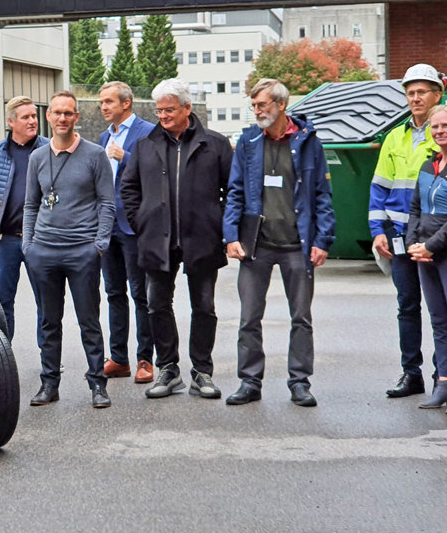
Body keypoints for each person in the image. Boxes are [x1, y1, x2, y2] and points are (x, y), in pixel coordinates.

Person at [223, 78, 335, 407]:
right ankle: (249, 382)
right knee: (249, 318)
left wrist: (322, 240)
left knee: (301, 317)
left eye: (262, 105)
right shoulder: (248, 141)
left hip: (297, 245)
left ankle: (299, 382)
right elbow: (235, 191)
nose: (256, 111)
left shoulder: (308, 140)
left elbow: (322, 195)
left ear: (281, 105)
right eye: (254, 106)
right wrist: (231, 235)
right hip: (256, 244)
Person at [119, 78, 233, 400]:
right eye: (159, 111)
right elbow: (129, 188)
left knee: (205, 306)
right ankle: (168, 369)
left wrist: (218, 224)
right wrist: (142, 222)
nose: (163, 116)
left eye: (169, 109)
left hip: (203, 240)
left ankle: (202, 371)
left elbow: (233, 191)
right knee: (156, 305)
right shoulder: (144, 146)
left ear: (187, 108)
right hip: (157, 240)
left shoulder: (216, 144)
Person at [369, 64, 447, 398]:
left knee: (446, 311)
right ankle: (411, 373)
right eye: (410, 92)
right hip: (403, 235)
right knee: (407, 306)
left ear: (437, 95)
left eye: (422, 91)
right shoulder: (394, 137)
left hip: (441, 239)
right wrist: (378, 229)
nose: (415, 98)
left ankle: (446, 378)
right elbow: (379, 186)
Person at [22, 90, 115, 409]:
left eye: (68, 113)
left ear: (76, 118)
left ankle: (97, 384)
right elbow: (31, 204)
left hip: (82, 252)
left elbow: (107, 202)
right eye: (57, 112)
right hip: (43, 252)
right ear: (48, 116)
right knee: (48, 320)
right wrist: (28, 246)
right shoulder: (37, 157)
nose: (62, 118)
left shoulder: (95, 155)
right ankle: (49, 384)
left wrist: (99, 244)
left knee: (89, 320)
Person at [406, 105, 447, 413]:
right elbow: (415, 209)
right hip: (424, 255)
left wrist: (431, 246)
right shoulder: (427, 165)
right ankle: (444, 384)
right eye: (434, 127)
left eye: (445, 125)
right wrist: (413, 244)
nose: (439, 131)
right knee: (439, 322)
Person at [0, 96, 49, 340]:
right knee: (2, 302)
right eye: (26, 117)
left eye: (34, 116)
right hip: (5, 240)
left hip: (41, 240)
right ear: (11, 122)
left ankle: (49, 359)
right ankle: (3, 355)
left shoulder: (50, 149)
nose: (32, 121)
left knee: (47, 302)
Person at [97, 80, 156, 382]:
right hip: (108, 228)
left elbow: (157, 172)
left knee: (140, 295)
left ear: (126, 103)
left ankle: (146, 359)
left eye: (109, 101)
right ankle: (118, 358)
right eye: (102, 102)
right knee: (114, 293)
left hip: (134, 227)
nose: (104, 107)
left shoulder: (147, 133)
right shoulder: (103, 136)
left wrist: (126, 157)